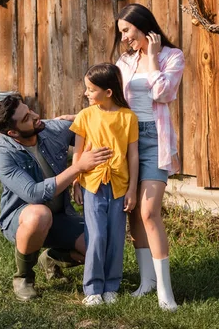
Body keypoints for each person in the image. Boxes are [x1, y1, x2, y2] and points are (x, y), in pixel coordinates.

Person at [0, 94, 112, 301]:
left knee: (103, 246)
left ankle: (52, 258)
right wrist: (77, 168)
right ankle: (24, 277)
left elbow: (96, 132)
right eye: (27, 118)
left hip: (60, 216)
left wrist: (80, 118)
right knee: (39, 214)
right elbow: (33, 194)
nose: (36, 116)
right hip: (22, 219)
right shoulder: (2, 154)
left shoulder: (53, 130)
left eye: (30, 111)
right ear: (13, 132)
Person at [114, 3, 185, 311]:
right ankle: (147, 283)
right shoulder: (124, 61)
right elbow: (115, 102)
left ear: (143, 26)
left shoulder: (172, 56)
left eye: (127, 31)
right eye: (121, 33)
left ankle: (165, 294)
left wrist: (153, 59)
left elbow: (164, 94)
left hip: (155, 141)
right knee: (133, 213)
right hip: (128, 139)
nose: (125, 38)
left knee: (148, 213)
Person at [70, 63, 139, 306]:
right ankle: (92, 289)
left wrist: (132, 189)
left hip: (120, 186)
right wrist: (76, 183)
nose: (86, 93)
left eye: (91, 89)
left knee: (116, 237)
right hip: (92, 184)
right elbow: (77, 154)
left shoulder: (128, 117)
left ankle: (112, 286)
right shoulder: (85, 116)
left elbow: (133, 156)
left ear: (108, 92)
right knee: (96, 235)